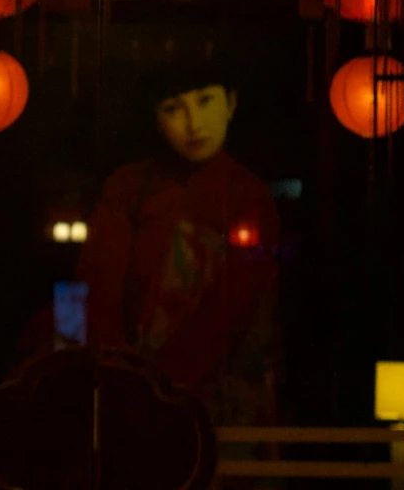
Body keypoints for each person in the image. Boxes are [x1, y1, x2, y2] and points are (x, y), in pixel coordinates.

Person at [78, 51, 279, 423]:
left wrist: (162, 384)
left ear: (230, 103)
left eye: (205, 101)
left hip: (218, 387)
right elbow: (98, 284)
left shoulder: (249, 195)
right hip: (125, 381)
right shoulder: (128, 187)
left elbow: (236, 304)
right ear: (156, 120)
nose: (193, 123)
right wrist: (120, 375)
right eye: (174, 108)